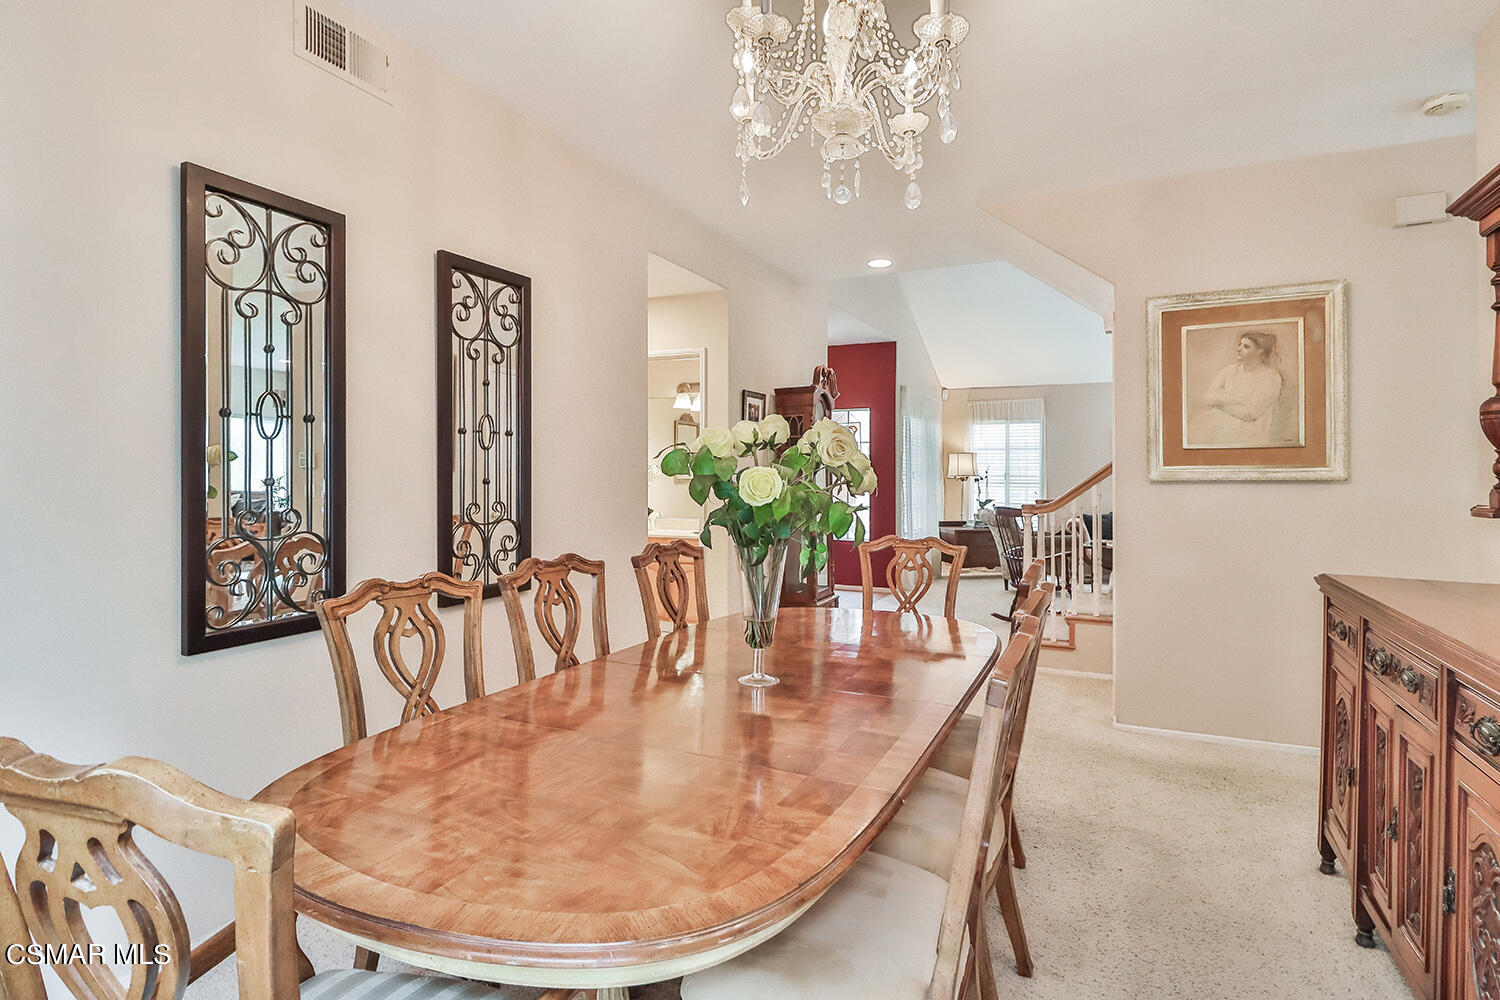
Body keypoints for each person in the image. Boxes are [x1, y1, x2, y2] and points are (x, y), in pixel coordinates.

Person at [1186, 330, 1284, 447]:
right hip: (1221, 424)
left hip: (1250, 434)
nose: (1238, 349)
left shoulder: (1271, 378)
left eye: (1246, 347)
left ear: (1260, 352)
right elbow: (1208, 398)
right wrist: (1238, 400)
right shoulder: (1229, 371)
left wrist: (1219, 403)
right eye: (1239, 345)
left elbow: (1248, 414)